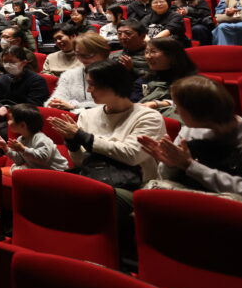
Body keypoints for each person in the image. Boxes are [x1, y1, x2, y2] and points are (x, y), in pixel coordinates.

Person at [48, 60, 165, 191]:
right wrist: (72, 142)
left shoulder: (149, 117)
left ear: (113, 85)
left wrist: (82, 137)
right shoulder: (86, 115)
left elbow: (131, 156)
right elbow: (81, 162)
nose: (88, 90)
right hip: (94, 180)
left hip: (136, 186)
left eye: (93, 85)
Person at [139, 76, 242, 204]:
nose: (175, 111)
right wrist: (171, 164)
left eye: (179, 107)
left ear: (198, 112)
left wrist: (189, 166)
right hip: (191, 198)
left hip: (232, 210)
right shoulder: (189, 130)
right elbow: (166, 178)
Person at [0, 104, 68, 173]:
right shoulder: (21, 139)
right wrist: (5, 148)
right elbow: (19, 161)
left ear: (22, 125)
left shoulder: (41, 138)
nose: (8, 122)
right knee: (16, 169)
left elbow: (42, 159)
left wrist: (23, 149)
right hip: (39, 169)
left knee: (16, 170)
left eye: (11, 119)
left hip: (57, 172)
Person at [134, 37, 197, 118]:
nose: (148, 56)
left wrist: (158, 104)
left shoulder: (190, 81)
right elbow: (135, 102)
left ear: (172, 55)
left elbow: (192, 105)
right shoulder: (144, 80)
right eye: (146, 52)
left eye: (153, 52)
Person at [46, 32, 109, 114]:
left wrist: (75, 106)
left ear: (103, 53)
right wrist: (55, 104)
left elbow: (113, 105)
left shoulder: (116, 73)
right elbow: (56, 99)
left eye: (88, 55)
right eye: (78, 55)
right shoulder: (69, 75)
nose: (83, 59)